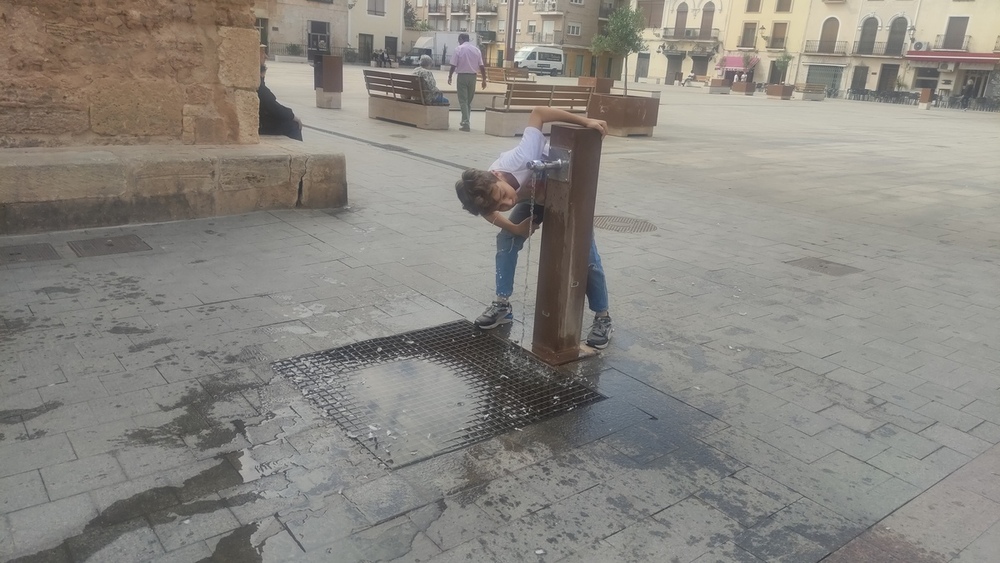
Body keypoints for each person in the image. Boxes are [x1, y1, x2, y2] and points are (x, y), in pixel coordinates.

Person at [453, 107, 615, 349]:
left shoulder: (518, 159)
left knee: (585, 254)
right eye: (501, 205)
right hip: (535, 200)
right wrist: (515, 228)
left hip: (566, 193)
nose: (508, 202)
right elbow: (488, 212)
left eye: (504, 195)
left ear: (496, 174)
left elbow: (538, 112)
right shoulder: (486, 194)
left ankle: (603, 317)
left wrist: (586, 120)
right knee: (506, 241)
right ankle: (502, 305)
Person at [447, 33, 487, 132]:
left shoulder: (459, 49)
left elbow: (453, 65)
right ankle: (466, 120)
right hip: (473, 77)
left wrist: (450, 76)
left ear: (461, 39)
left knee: (463, 100)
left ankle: (465, 122)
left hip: (462, 76)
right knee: (468, 101)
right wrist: (484, 79)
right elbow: (482, 66)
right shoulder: (476, 50)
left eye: (458, 40)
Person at [258, 64, 303, 141]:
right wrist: (291, 115)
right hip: (262, 125)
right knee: (293, 125)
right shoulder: (260, 88)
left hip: (262, 122)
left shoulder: (261, 88)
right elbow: (274, 107)